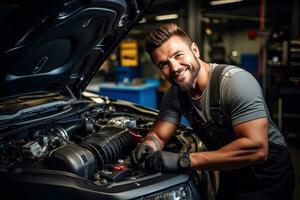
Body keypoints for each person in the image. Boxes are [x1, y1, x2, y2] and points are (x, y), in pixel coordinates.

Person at [131, 23, 295, 200]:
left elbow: (257, 149)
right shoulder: (175, 95)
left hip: (268, 175)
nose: (175, 67)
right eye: (164, 64)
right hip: (231, 170)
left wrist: (184, 160)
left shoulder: (235, 83)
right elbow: (159, 135)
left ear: (195, 50)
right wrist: (149, 144)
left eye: (178, 55)